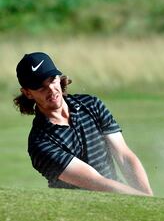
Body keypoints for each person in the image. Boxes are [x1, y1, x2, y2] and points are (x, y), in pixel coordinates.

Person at [13, 52, 153, 196]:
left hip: (122, 196)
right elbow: (95, 182)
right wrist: (141, 199)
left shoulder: (92, 105)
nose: (51, 89)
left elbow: (124, 155)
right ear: (28, 93)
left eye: (52, 79)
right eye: (40, 87)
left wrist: (148, 198)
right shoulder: (40, 143)